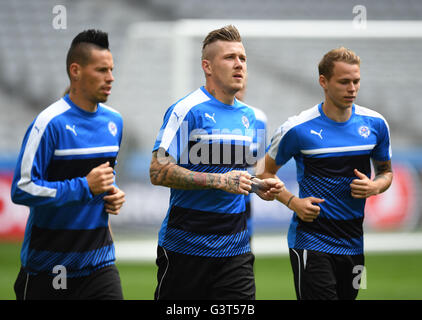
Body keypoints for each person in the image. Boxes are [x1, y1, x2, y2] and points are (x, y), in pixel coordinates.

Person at [149, 25, 284, 300]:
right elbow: (157, 171)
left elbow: (244, 175)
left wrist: (260, 186)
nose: (239, 64)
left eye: (243, 58)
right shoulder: (186, 110)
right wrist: (219, 181)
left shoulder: (252, 118)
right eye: (230, 57)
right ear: (207, 67)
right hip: (185, 249)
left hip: (236, 250)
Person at [258, 47, 393, 300]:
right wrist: (292, 201)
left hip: (354, 242)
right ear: (324, 82)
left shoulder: (376, 124)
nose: (352, 88)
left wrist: (375, 187)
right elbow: (262, 173)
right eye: (344, 82)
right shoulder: (297, 128)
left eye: (356, 81)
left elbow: (386, 172)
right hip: (312, 240)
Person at [11, 29, 125, 300]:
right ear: (76, 71)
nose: (110, 78)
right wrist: (84, 186)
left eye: (111, 69)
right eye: (101, 70)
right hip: (48, 268)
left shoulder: (115, 122)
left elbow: (105, 178)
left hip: (99, 265)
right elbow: (22, 189)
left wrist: (113, 194)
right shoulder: (49, 123)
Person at [235, 85, 268, 243]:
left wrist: (259, 184)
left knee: (245, 249)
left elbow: (260, 164)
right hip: (217, 196)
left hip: (245, 196)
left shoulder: (258, 117)